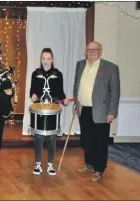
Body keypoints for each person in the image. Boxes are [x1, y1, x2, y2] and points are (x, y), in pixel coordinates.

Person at [73, 41, 120, 182]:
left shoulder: (110, 68)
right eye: (88, 49)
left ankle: (99, 169)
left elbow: (115, 92)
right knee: (87, 140)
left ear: (100, 51)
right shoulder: (80, 65)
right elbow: (76, 86)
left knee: (100, 141)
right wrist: (76, 103)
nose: (91, 52)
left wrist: (112, 112)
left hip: (101, 111)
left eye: (95, 49)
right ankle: (89, 164)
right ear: (85, 51)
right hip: (84, 109)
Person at [29, 48, 67, 176]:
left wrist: (63, 100)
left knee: (52, 137)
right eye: (43, 58)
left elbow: (61, 93)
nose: (46, 61)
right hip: (39, 109)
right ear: (41, 59)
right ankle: (38, 163)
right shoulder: (36, 73)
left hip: (52, 109)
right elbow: (32, 91)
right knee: (38, 136)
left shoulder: (58, 74)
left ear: (52, 60)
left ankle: (50, 164)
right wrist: (33, 95)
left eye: (48, 58)